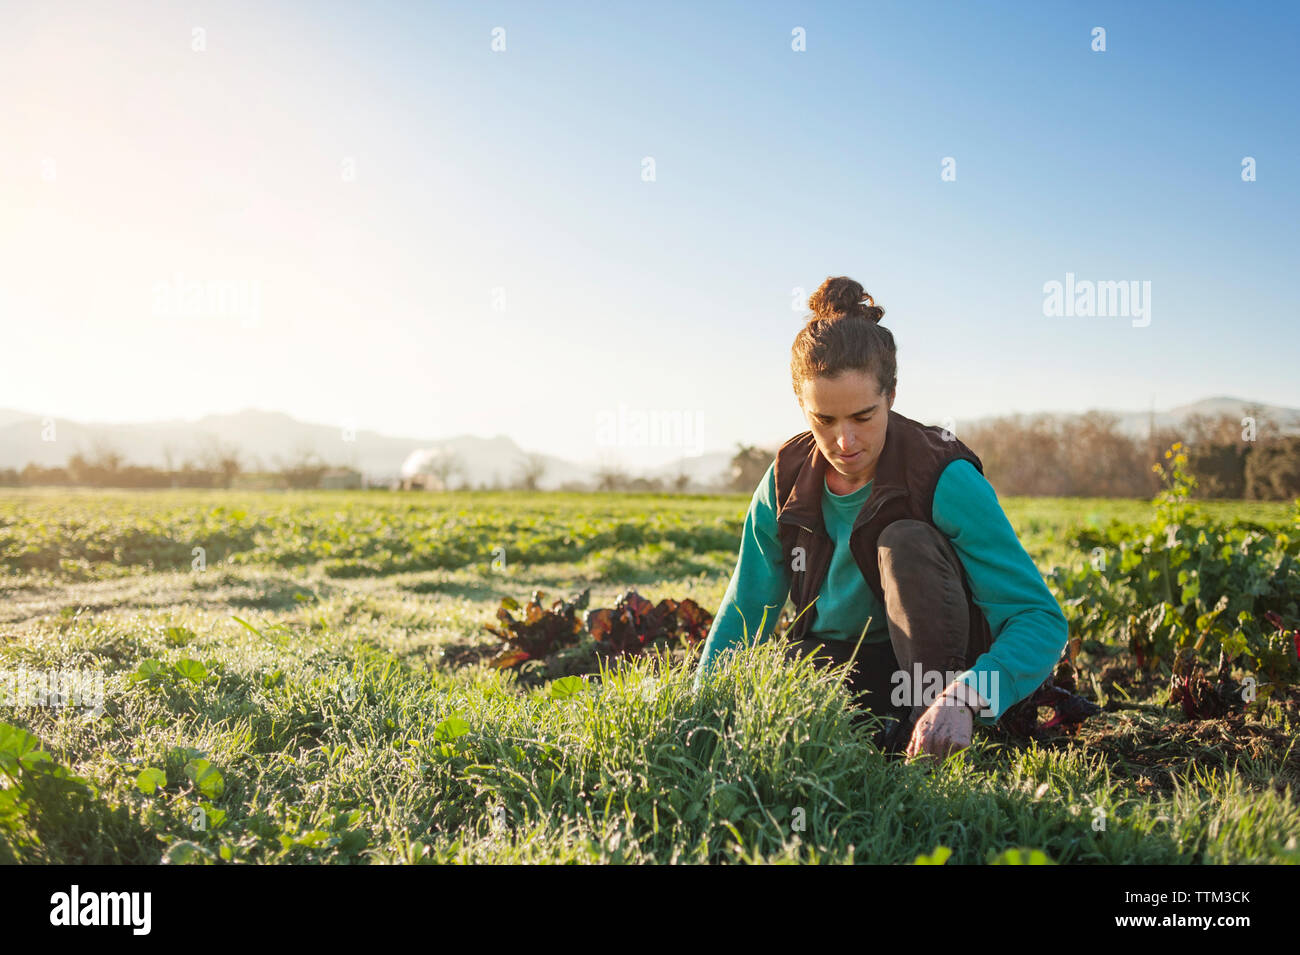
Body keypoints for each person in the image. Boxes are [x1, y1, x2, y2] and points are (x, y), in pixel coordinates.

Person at [692, 275, 1069, 761]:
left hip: (942, 677)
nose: (844, 443)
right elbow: (746, 611)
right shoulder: (785, 481)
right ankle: (882, 740)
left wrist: (965, 698)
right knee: (773, 718)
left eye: (863, 416)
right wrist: (700, 710)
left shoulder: (943, 475)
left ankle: (931, 732)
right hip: (837, 664)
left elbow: (1038, 619)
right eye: (824, 421)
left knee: (903, 541)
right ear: (802, 407)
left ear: (891, 394)